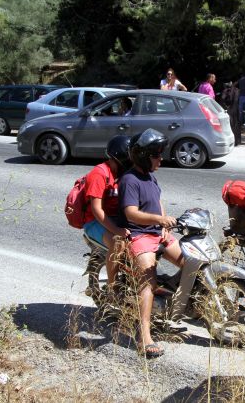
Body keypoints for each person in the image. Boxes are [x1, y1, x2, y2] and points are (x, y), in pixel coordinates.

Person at [119, 129, 185, 358]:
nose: (161, 159)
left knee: (191, 263)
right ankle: (144, 335)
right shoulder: (129, 180)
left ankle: (173, 299)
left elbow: (158, 202)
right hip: (140, 235)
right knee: (147, 282)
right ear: (144, 156)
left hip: (158, 233)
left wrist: (165, 227)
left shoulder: (151, 176)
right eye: (156, 155)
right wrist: (159, 220)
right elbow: (131, 213)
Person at [83, 135, 132, 294]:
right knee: (118, 243)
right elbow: (97, 210)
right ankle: (113, 289)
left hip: (116, 219)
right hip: (95, 222)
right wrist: (117, 231)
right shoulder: (99, 174)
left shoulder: (124, 174)